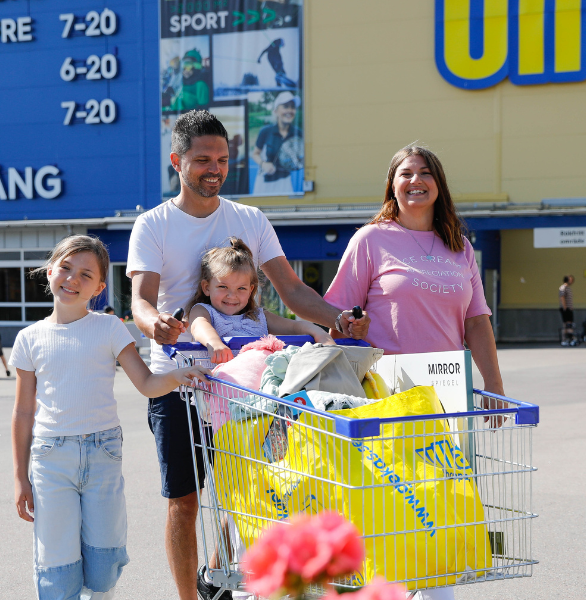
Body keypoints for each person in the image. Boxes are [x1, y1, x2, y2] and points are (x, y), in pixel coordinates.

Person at [127, 109, 368, 600]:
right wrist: (159, 326)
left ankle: (217, 576)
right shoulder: (153, 225)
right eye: (201, 160)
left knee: (253, 494)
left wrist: (336, 320)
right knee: (185, 503)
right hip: (181, 382)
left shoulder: (249, 220)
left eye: (222, 158)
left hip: (250, 388)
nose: (214, 168)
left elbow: (293, 291)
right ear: (177, 161)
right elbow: (140, 301)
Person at [322, 144, 504, 600]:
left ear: (439, 185)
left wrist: (494, 386)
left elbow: (477, 322)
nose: (415, 181)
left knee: (439, 518)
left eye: (425, 173)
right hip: (386, 399)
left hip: (445, 401)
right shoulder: (371, 240)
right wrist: (349, 325)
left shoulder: (459, 247)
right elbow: (332, 313)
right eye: (405, 173)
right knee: (391, 519)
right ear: (392, 185)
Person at [10, 235, 209, 600]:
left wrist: (179, 375)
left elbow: (148, 383)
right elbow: (24, 411)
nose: (72, 279)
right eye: (66, 268)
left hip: (103, 454)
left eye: (86, 275)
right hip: (51, 460)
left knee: (103, 568)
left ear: (100, 287)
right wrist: (21, 477)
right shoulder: (28, 338)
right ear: (50, 268)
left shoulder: (110, 328)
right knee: (57, 566)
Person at [188, 238, 333, 363]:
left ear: (251, 290)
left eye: (241, 289)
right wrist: (214, 342)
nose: (232, 295)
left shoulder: (259, 317)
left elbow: (294, 327)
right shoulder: (204, 310)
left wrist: (320, 334)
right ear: (206, 287)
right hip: (220, 386)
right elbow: (199, 326)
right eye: (223, 286)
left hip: (258, 388)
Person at [250, 91, 302, 197]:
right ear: (276, 111)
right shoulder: (265, 131)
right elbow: (255, 153)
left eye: (292, 107)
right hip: (264, 183)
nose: (290, 110)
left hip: (285, 183)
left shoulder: (298, 133)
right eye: (286, 107)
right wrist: (264, 164)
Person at [559, 275, 575, 346]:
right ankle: (567, 339)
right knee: (567, 324)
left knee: (568, 324)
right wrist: (565, 308)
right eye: (570, 280)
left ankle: (567, 339)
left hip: (569, 308)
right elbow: (562, 297)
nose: (571, 281)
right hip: (566, 309)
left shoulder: (568, 288)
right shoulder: (563, 288)